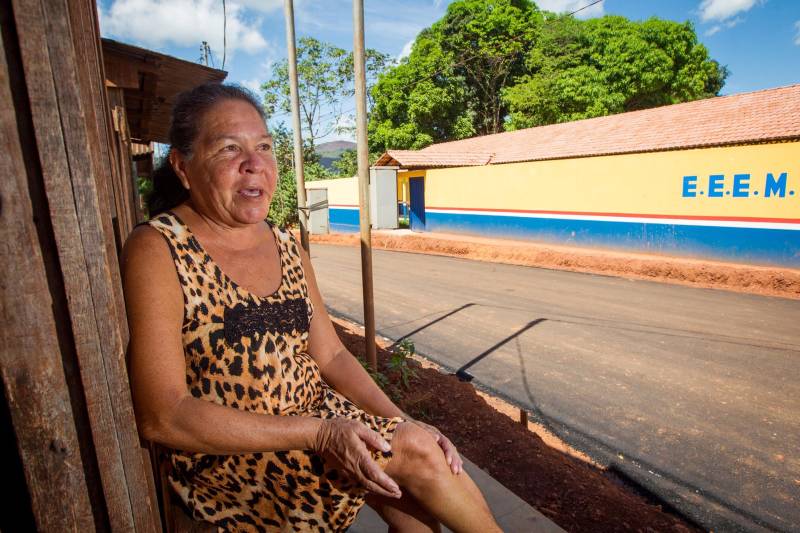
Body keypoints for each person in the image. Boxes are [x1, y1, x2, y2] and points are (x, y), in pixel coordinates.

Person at [122, 83, 502, 533]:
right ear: (184, 167)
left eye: (264, 146)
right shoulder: (159, 248)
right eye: (229, 149)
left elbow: (333, 355)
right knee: (416, 457)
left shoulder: (287, 246)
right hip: (236, 460)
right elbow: (163, 416)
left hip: (319, 424)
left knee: (416, 476)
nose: (254, 164)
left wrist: (399, 418)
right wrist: (319, 432)